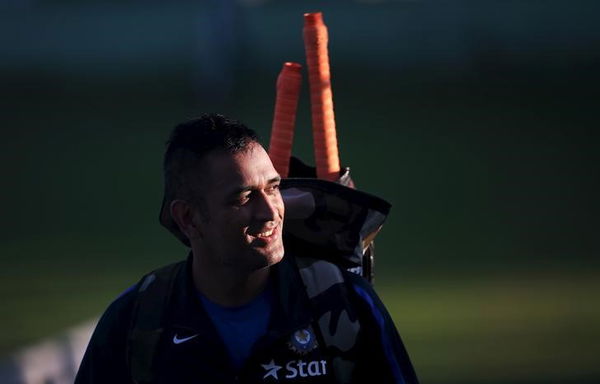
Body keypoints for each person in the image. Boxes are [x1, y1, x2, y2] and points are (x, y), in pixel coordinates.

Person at [75, 113, 419, 384]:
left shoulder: (345, 302)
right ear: (188, 218)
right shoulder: (137, 321)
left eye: (273, 189)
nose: (271, 212)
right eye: (243, 197)